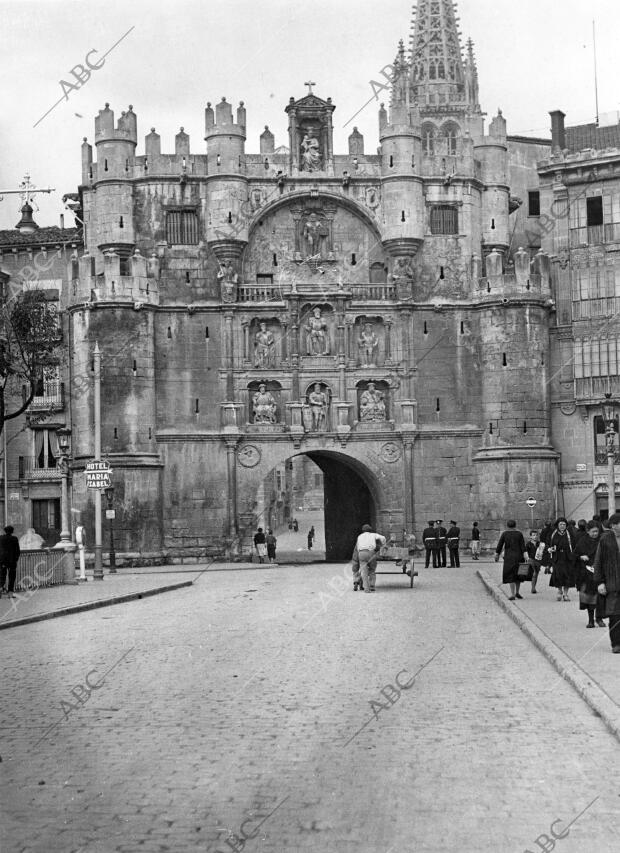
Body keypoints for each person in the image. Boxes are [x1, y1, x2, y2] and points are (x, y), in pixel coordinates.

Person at [594, 513, 620, 653]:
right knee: (614, 615)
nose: (617, 527)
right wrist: (600, 582)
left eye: (618, 524)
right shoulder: (605, 539)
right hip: (612, 584)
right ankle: (616, 644)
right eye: (615, 524)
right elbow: (598, 562)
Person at [574, 521, 606, 628]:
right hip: (585, 573)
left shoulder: (602, 541)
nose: (595, 534)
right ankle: (591, 620)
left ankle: (599, 618)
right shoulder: (582, 541)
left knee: (600, 597)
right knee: (589, 598)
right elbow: (575, 554)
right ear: (587, 531)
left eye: (597, 531)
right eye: (593, 532)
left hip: (599, 572)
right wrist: (581, 557)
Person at [495, 520, 527, 601]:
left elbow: (500, 545)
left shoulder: (505, 534)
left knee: (511, 575)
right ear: (515, 526)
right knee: (518, 574)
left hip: (509, 557)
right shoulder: (519, 534)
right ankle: (517, 592)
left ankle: (512, 594)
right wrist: (526, 555)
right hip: (519, 556)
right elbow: (523, 546)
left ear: (507, 526)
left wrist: (497, 554)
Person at [354, 523, 386, 593]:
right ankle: (372, 586)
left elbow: (358, 546)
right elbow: (383, 538)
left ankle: (366, 589)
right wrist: (383, 544)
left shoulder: (359, 536)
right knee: (372, 570)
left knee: (364, 572)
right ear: (370, 530)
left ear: (363, 530)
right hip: (371, 553)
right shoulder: (373, 535)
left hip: (361, 553)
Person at [549, 517, 574, 602]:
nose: (562, 526)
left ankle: (566, 594)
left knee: (567, 575)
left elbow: (574, 545)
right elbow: (549, 545)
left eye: (564, 524)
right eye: (560, 524)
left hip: (567, 558)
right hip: (557, 557)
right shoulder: (553, 534)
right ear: (557, 525)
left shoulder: (569, 534)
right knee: (558, 575)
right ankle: (559, 591)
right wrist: (550, 549)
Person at [0, 525, 20, 599]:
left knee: (2, 576)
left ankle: (0, 588)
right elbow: (17, 551)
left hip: (2, 561)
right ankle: (10, 594)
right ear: (12, 531)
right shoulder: (14, 539)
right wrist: (15, 559)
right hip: (12, 562)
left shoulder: (0, 538)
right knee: (12, 577)